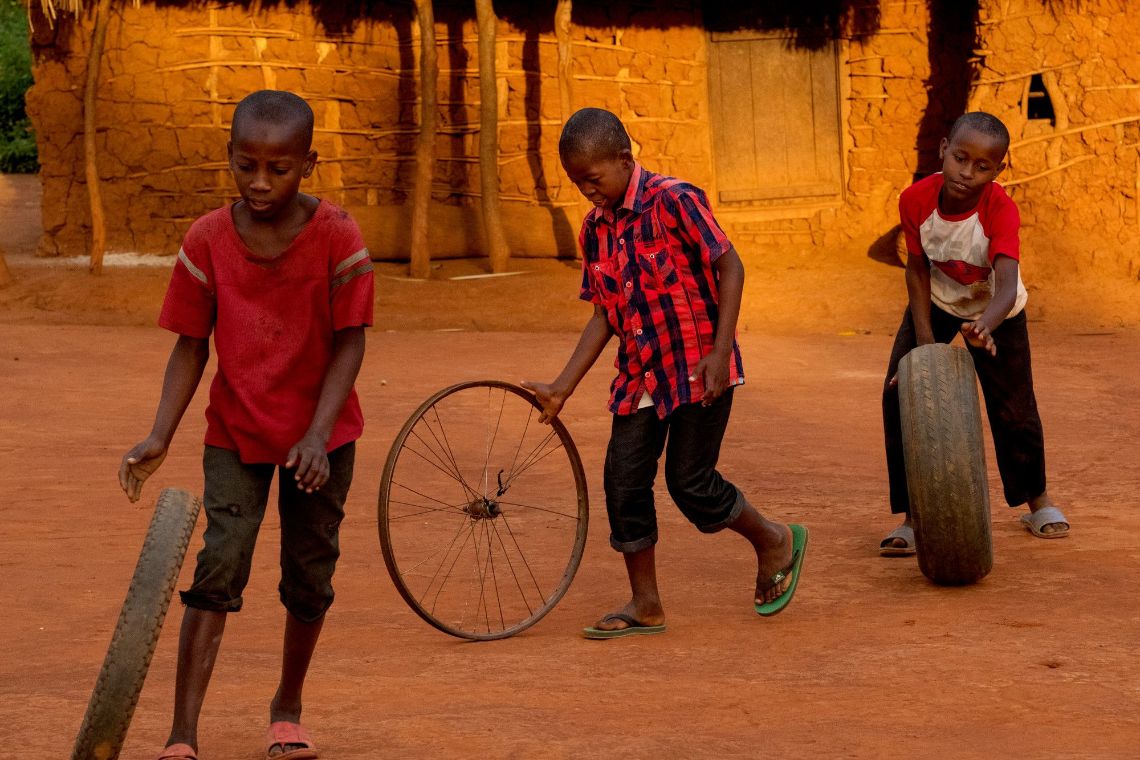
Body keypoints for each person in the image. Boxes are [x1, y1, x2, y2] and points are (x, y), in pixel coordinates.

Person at [119, 90, 374, 760]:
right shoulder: (207, 239)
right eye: (247, 165)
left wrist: (318, 435)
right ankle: (183, 732)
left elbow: (352, 341)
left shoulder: (337, 236)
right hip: (237, 432)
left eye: (279, 168)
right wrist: (159, 434)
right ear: (230, 158)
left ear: (307, 164)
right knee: (220, 562)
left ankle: (287, 708)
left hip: (323, 438)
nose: (261, 182)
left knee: (308, 574)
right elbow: (190, 344)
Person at [523, 107, 807, 639]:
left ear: (624, 160)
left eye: (593, 178)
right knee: (623, 483)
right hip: (639, 378)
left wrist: (721, 352)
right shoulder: (594, 230)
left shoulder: (675, 199)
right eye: (577, 183)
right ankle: (645, 603)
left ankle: (772, 539)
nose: (588, 192)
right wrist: (562, 386)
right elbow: (605, 313)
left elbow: (731, 266)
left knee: (690, 483)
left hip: (700, 367)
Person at [879, 111, 1069, 557]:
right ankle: (912, 516)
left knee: (1014, 408)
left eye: (982, 166)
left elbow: (1006, 282)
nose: (967, 172)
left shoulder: (999, 209)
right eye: (961, 158)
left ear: (998, 170)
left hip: (997, 310)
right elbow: (916, 269)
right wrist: (925, 345)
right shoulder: (914, 200)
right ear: (944, 149)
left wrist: (986, 326)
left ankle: (1036, 500)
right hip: (937, 303)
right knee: (899, 396)